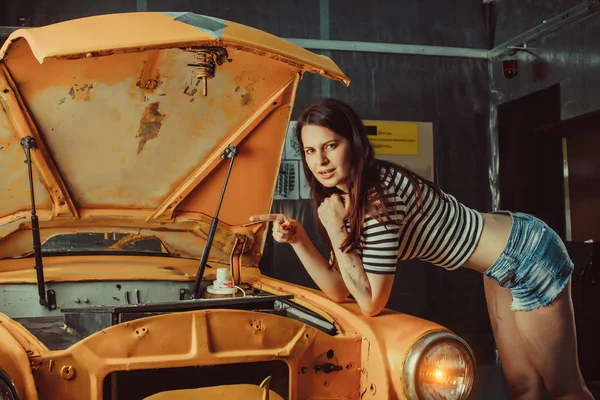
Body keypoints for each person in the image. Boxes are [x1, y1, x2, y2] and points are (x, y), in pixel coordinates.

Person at [249, 98, 593, 399]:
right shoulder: (345, 202)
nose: (320, 160)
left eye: (331, 145)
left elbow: (371, 303)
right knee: (522, 386)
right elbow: (342, 290)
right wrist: (299, 240)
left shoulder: (378, 197)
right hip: (499, 267)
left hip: (529, 252)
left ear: (353, 143)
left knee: (563, 389)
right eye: (310, 150)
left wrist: (335, 229)